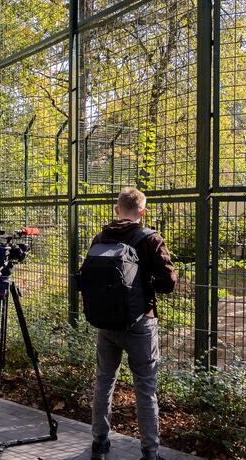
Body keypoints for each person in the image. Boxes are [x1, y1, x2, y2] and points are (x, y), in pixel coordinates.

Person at [86, 188, 177, 460]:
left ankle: (99, 443)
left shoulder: (101, 237)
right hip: (141, 323)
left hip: (106, 322)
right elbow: (169, 282)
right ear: (142, 212)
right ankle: (150, 452)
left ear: (117, 209)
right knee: (145, 389)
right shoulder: (150, 239)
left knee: (104, 381)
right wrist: (145, 285)